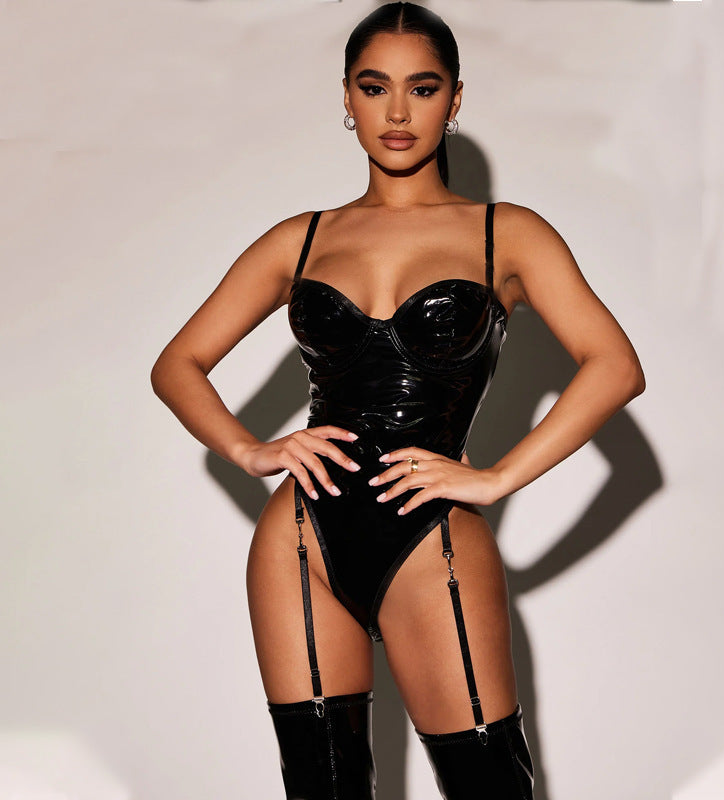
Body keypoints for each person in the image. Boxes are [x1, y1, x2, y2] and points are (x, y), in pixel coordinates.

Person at [150, 3, 645, 798]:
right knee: (323, 786)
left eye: (423, 88)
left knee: (489, 784)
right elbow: (178, 364)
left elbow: (614, 366)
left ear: (455, 99)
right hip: (300, 540)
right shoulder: (301, 239)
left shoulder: (506, 233)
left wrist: (496, 478)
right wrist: (251, 449)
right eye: (375, 87)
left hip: (432, 536)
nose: (399, 112)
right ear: (347, 99)